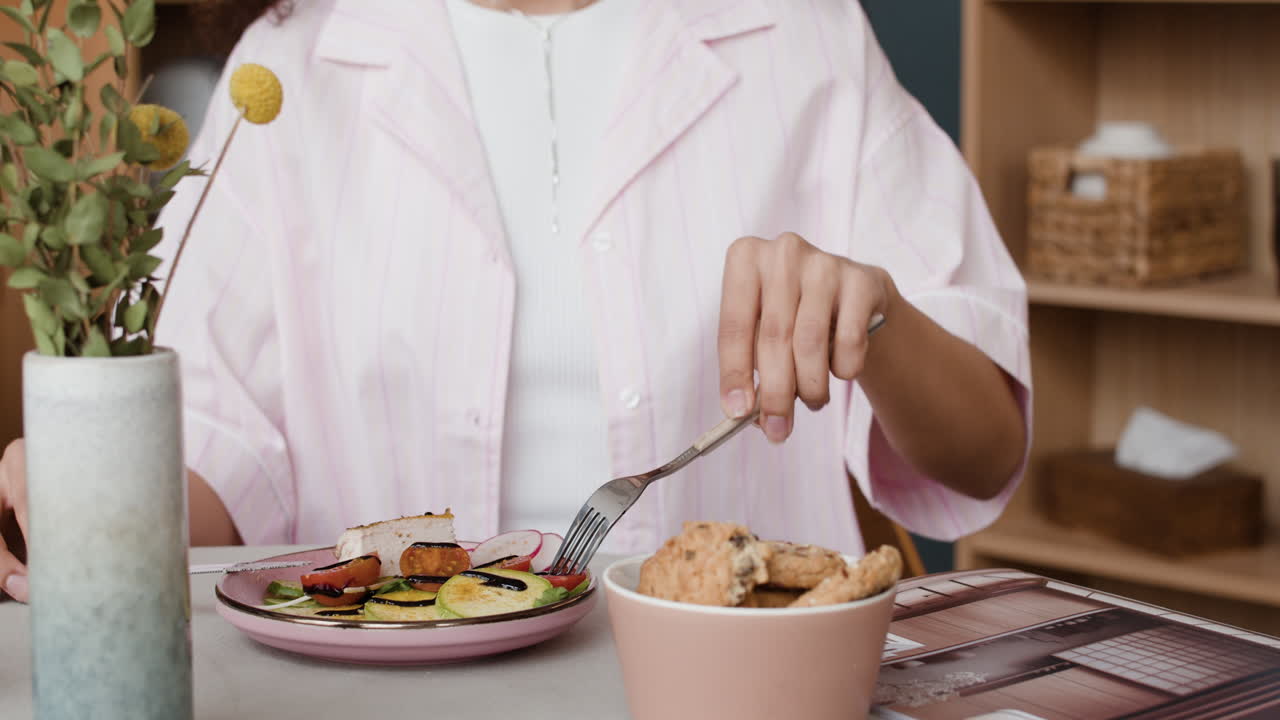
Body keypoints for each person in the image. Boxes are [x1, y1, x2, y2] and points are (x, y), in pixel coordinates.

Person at [0, 0, 1030, 603]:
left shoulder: (803, 33)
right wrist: (97, 495)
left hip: (737, 692)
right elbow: (220, 470)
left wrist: (875, 320)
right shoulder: (293, 61)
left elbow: (981, 453)